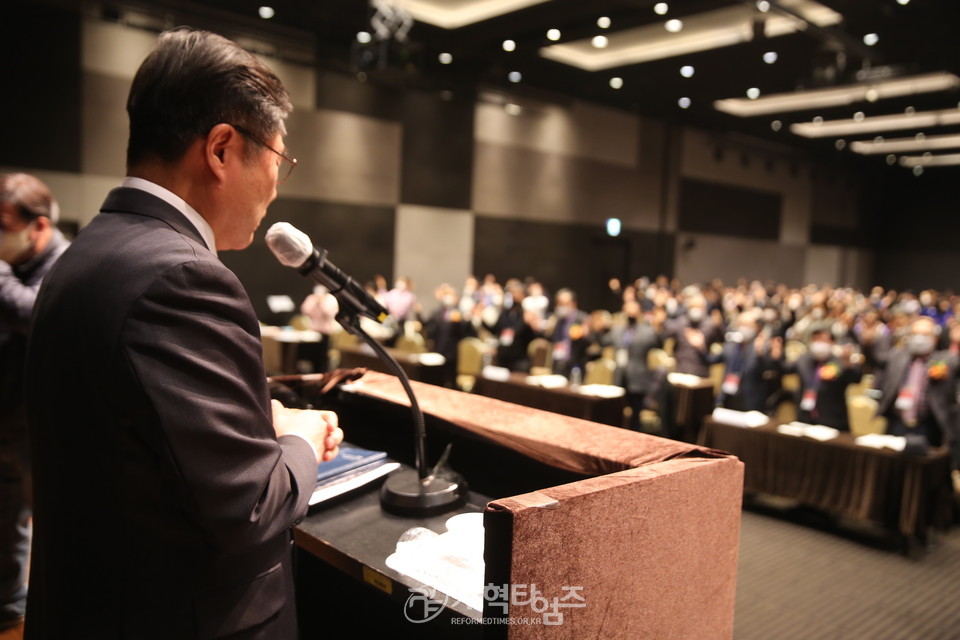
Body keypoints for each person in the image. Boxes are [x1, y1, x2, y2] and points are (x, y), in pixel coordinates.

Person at [23, 28, 343, 639]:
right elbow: (250, 508)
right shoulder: (184, 279)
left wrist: (254, 427)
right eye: (279, 159)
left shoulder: (85, 252)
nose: (278, 185)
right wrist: (298, 435)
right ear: (221, 148)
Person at [0, 174, 69, 633]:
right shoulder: (20, 261)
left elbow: (36, 315)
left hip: (39, 420)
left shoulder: (65, 262)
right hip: (10, 413)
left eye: (3, 225)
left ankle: (22, 611)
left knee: (36, 520)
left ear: (37, 225)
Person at [873, 316, 960, 457]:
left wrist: (957, 342)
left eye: (925, 335)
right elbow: (875, 358)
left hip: (930, 426)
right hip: (897, 423)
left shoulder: (946, 360)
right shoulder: (897, 356)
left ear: (935, 338)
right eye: (915, 334)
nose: (919, 338)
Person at [783, 329, 862, 430]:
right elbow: (784, 369)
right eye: (816, 339)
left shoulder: (840, 362)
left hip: (832, 421)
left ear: (832, 342)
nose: (820, 343)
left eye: (824, 340)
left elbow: (856, 379)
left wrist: (849, 366)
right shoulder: (803, 359)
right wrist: (776, 356)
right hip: (805, 418)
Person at [604, 300, 663, 430]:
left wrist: (658, 327)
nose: (630, 311)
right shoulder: (618, 330)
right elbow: (604, 341)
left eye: (633, 308)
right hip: (620, 376)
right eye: (628, 308)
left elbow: (658, 343)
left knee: (635, 416)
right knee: (616, 412)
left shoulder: (647, 331)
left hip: (638, 377)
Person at [299, 284, 340, 372]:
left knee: (322, 357)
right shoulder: (312, 298)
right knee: (311, 356)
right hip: (313, 332)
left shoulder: (330, 299)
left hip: (325, 332)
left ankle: (322, 373)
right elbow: (305, 310)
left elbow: (328, 313)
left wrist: (321, 302)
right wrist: (315, 302)